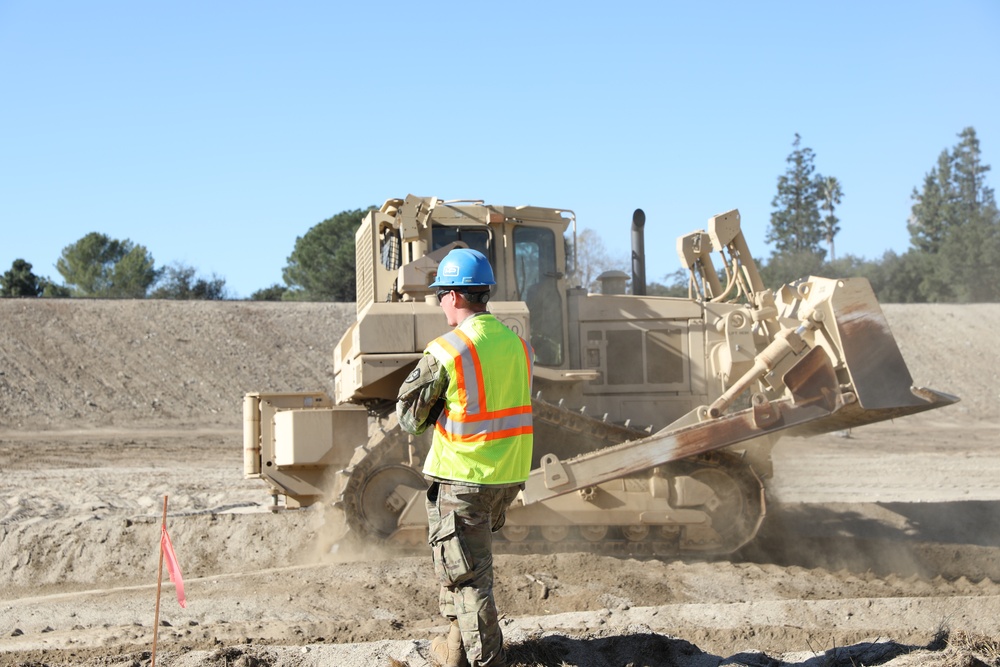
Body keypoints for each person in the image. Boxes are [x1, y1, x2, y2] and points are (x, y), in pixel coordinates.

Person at [396, 247, 534, 667]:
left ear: (455, 296)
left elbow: (408, 417)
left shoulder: (447, 350)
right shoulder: (518, 345)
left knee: (470, 580)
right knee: (465, 569)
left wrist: (436, 409)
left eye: (440, 294)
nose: (439, 302)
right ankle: (454, 652)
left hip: (462, 479)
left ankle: (486, 662)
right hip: (505, 478)